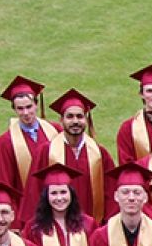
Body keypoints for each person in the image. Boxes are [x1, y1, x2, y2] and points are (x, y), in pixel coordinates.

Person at [32, 89, 113, 223]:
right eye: (69, 116)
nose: (75, 121)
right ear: (61, 120)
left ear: (86, 119)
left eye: (79, 116)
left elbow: (111, 191)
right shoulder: (46, 152)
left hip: (93, 228)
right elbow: (34, 191)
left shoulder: (99, 153)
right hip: (54, 230)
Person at [0, 76, 49, 219]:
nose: (25, 113)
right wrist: (14, 221)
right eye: (20, 108)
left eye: (29, 107)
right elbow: (3, 183)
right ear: (14, 109)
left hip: (57, 205)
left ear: (36, 104)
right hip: (26, 213)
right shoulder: (5, 142)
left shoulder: (54, 131)